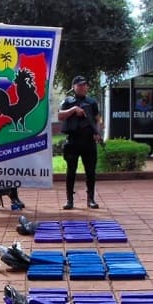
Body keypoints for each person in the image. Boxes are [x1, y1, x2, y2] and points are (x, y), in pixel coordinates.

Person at [57, 75, 102, 210]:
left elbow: (97, 119)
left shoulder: (92, 102)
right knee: (71, 171)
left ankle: (91, 199)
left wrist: (97, 133)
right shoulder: (67, 101)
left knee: (90, 172)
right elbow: (60, 116)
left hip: (88, 141)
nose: (83, 87)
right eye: (80, 85)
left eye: (85, 85)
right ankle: (69, 200)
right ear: (74, 87)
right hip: (73, 141)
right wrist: (73, 110)